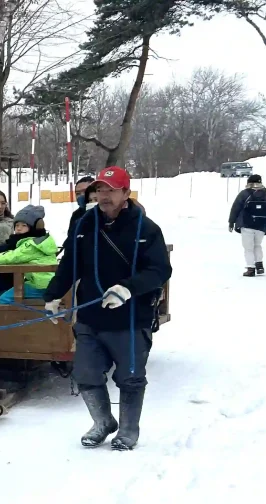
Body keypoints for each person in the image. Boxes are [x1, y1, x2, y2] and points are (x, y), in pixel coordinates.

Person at [42, 166, 172, 451]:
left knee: (130, 377)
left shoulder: (146, 229)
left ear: (126, 193)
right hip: (90, 316)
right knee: (85, 373)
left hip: (129, 318)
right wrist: (52, 297)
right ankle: (102, 422)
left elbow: (160, 270)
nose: (104, 195)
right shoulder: (84, 225)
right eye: (100, 189)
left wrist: (127, 288)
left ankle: (127, 430)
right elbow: (70, 265)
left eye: (111, 190)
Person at [0, 205, 58, 304]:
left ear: (33, 228)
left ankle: (9, 319)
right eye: (17, 225)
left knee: (5, 299)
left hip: (40, 285)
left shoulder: (31, 245)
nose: (19, 228)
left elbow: (12, 256)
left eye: (24, 225)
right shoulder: (41, 241)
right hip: (45, 282)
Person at [228, 174, 266, 277]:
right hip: (261, 225)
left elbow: (235, 208)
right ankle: (259, 265)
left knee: (248, 248)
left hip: (246, 224)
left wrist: (231, 222)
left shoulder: (244, 194)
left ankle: (250, 268)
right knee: (257, 245)